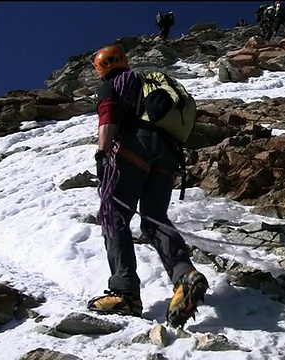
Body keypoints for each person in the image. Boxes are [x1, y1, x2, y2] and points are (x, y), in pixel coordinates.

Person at [87, 44, 209, 328]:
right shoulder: (147, 82)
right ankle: (184, 276)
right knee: (154, 220)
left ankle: (125, 292)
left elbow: (108, 117)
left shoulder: (113, 85)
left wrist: (103, 155)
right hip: (167, 153)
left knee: (114, 214)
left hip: (134, 147)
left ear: (101, 69)